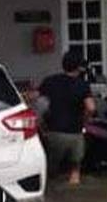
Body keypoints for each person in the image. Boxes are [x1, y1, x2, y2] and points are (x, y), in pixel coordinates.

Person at [39, 51, 96, 185]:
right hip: (75, 134)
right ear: (80, 67)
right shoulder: (82, 85)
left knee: (50, 173)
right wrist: (85, 120)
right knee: (75, 172)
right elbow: (91, 107)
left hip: (54, 134)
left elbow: (33, 98)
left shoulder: (50, 81)